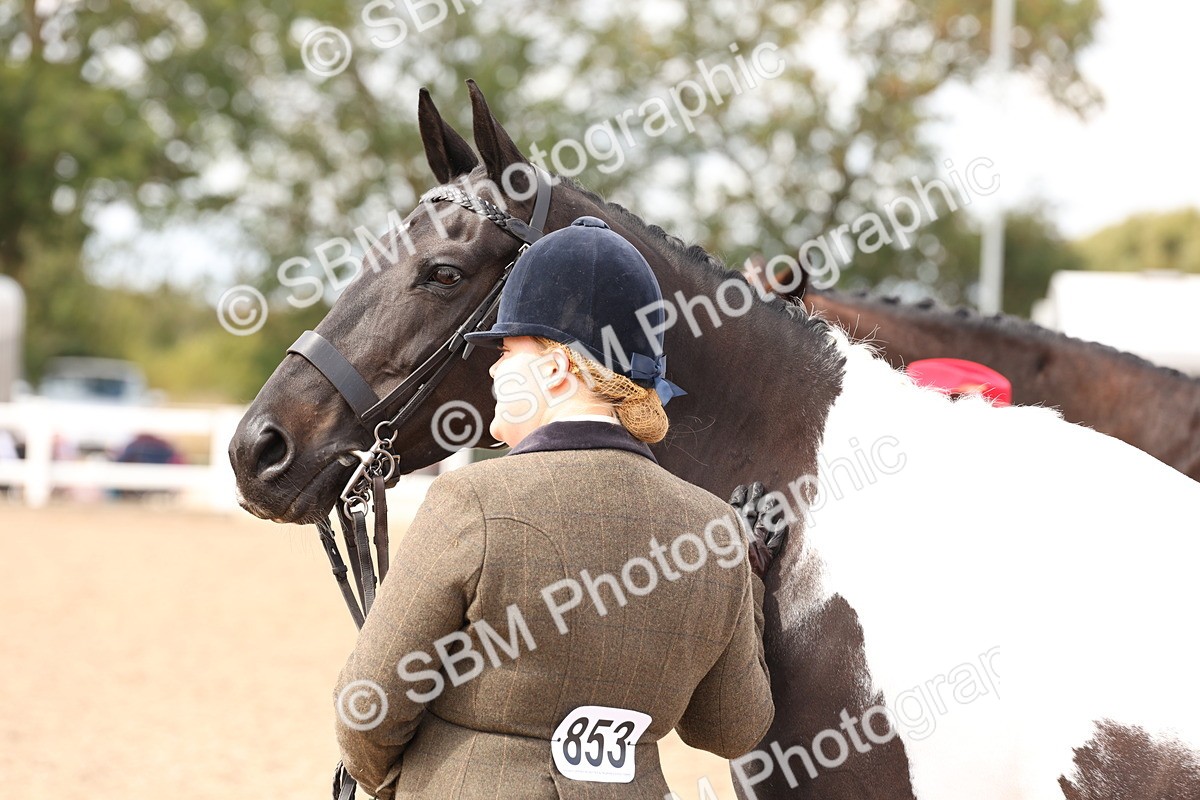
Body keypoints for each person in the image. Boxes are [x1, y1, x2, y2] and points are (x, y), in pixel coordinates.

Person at [334, 217, 782, 799]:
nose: (493, 369)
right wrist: (748, 579)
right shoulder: (715, 531)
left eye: (507, 351)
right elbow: (732, 728)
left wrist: (409, 784)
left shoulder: (470, 502)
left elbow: (367, 707)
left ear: (556, 369)